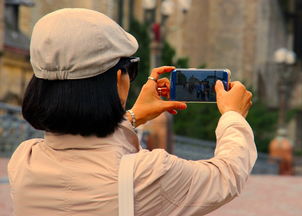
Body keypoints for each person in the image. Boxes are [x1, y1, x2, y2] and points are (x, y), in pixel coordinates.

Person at [7, 8, 257, 216]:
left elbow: (85, 152)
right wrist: (232, 116)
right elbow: (227, 175)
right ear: (119, 78)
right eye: (131, 69)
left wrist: (133, 117)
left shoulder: (24, 161)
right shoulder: (148, 174)